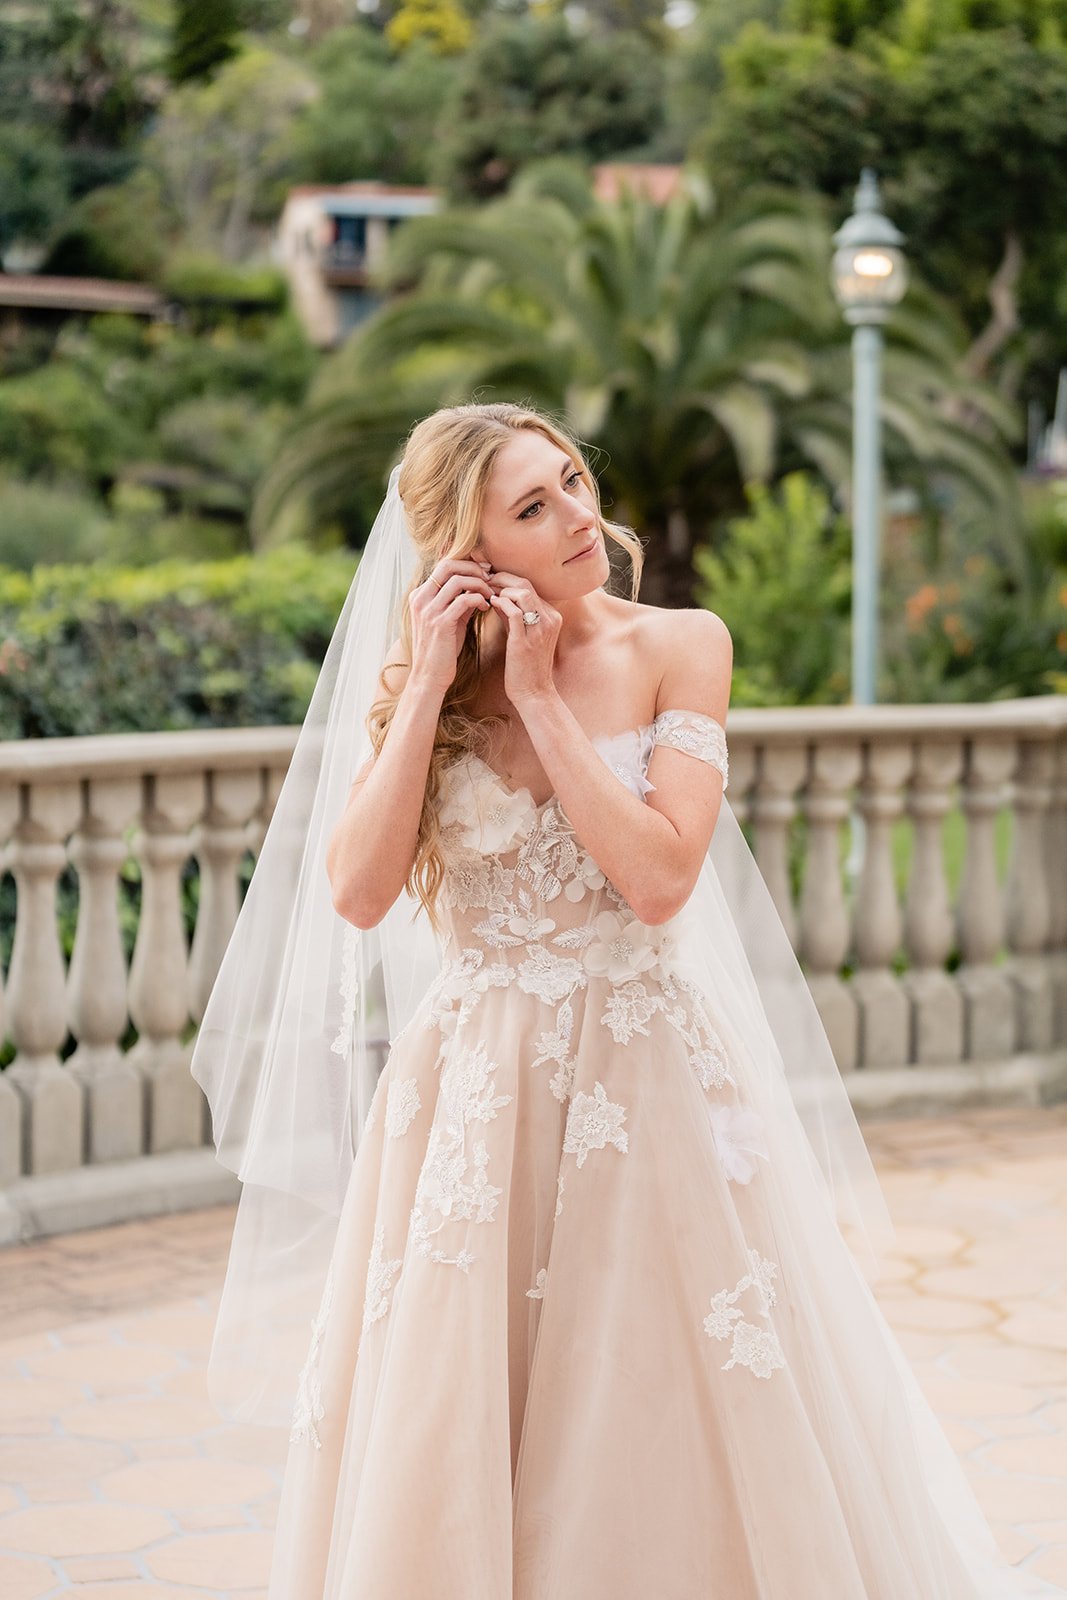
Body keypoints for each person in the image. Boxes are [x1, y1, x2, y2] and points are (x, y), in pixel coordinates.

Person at [192, 401, 1064, 1599]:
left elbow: (659, 878)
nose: (577, 516)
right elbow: (353, 890)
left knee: (650, 1390)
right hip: (467, 1099)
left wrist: (542, 700)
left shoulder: (676, 644)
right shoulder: (431, 694)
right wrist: (439, 677)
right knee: (455, 1403)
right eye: (533, 506)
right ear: (467, 552)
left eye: (571, 481)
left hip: (638, 1072)